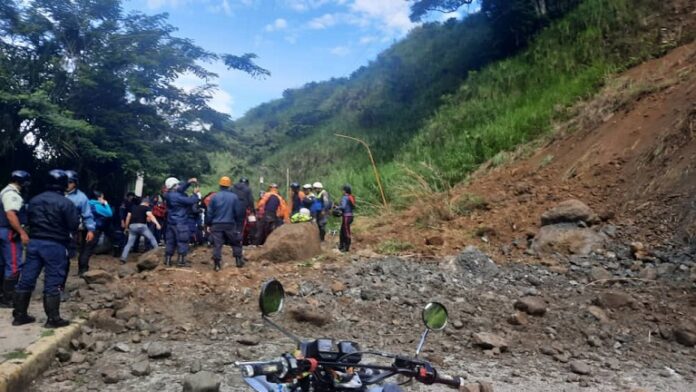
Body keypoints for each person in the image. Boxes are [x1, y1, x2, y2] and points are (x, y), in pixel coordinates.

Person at [12, 169, 79, 328]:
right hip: (55, 245)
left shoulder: (34, 200)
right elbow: (73, 225)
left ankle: (19, 316)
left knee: (26, 279)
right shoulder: (66, 203)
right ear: (63, 184)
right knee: (53, 281)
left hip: (34, 243)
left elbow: (26, 219)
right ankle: (53, 319)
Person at [0, 171, 31, 308]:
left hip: (3, 231)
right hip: (9, 232)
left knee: (2, 263)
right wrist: (22, 232)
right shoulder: (12, 194)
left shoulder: (4, 191)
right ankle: (8, 298)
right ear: (22, 182)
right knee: (13, 264)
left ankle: (2, 294)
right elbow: (11, 215)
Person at [206, 176, 245, 270]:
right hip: (230, 224)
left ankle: (217, 265)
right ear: (229, 186)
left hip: (216, 224)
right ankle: (238, 260)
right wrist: (238, 224)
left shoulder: (214, 197)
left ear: (220, 185)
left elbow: (209, 212)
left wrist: (208, 224)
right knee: (235, 242)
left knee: (217, 245)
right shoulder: (234, 197)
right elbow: (238, 212)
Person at [65, 170, 96, 281]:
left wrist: (90, 230)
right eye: (65, 181)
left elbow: (87, 215)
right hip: (53, 229)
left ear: (75, 183)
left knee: (65, 257)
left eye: (70, 182)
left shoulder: (81, 198)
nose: (67, 184)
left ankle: (59, 287)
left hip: (69, 231)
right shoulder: (56, 193)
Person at [163, 177, 200, 267]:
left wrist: (188, 182)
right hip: (181, 222)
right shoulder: (177, 196)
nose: (179, 186)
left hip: (171, 222)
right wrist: (195, 194)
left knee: (170, 242)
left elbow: (180, 189)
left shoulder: (168, 195)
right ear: (174, 186)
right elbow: (192, 201)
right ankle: (181, 261)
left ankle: (168, 260)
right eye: (177, 184)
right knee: (182, 241)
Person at [120, 197, 161, 263]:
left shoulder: (133, 207)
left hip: (132, 226)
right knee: (152, 238)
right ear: (146, 203)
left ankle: (123, 258)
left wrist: (126, 227)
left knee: (129, 243)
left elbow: (128, 217)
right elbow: (150, 216)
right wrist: (157, 224)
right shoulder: (146, 208)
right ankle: (158, 253)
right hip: (142, 226)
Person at [88, 190, 119, 257]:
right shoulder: (97, 206)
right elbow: (109, 213)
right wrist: (106, 204)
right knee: (93, 242)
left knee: (90, 241)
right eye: (102, 197)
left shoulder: (88, 203)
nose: (103, 199)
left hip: (90, 225)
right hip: (98, 225)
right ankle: (86, 256)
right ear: (98, 198)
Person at [232, 177, 256, 245]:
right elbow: (251, 201)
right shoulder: (248, 189)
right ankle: (239, 240)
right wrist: (252, 211)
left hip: (232, 209)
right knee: (241, 226)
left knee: (233, 224)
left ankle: (231, 239)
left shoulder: (232, 188)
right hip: (242, 210)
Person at [337, 184, 356, 252]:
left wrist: (337, 207)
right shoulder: (350, 197)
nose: (342, 191)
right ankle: (342, 245)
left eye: (343, 190)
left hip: (346, 216)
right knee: (343, 230)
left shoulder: (345, 197)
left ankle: (346, 246)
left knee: (346, 231)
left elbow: (343, 207)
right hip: (350, 216)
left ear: (345, 191)